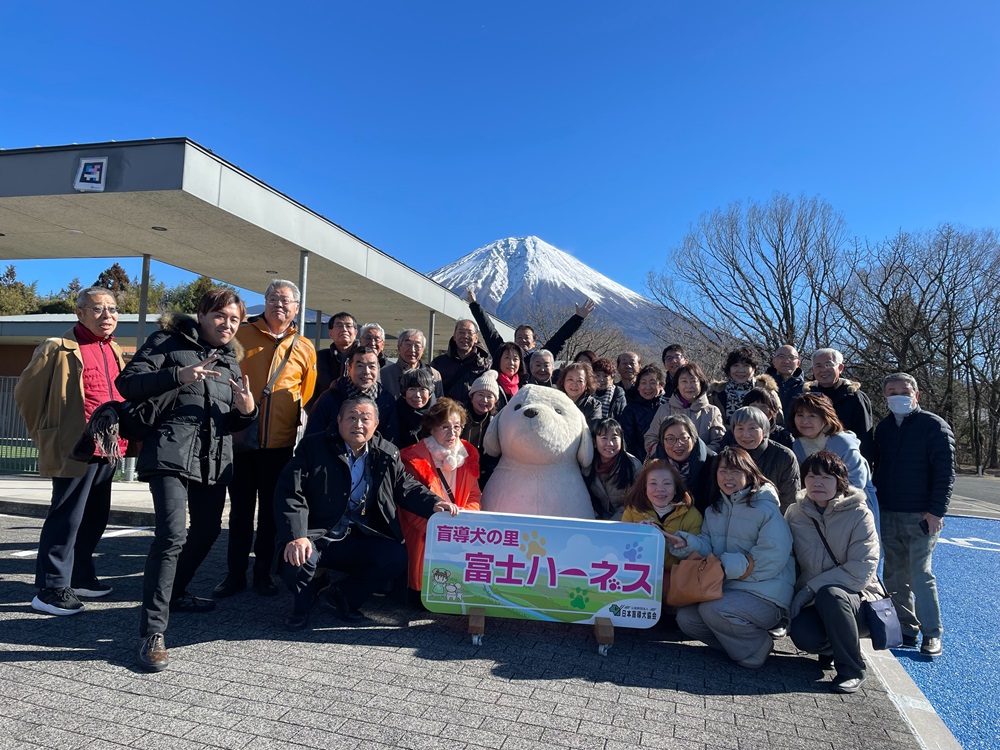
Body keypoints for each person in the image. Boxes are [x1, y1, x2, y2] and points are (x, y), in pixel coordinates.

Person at [116, 290, 257, 672]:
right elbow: (127, 383)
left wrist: (247, 410)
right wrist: (178, 375)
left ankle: (176, 592)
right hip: (169, 453)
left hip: (213, 459)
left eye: (234, 319)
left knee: (209, 530)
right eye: (220, 316)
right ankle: (152, 633)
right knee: (172, 535)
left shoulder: (230, 361)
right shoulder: (167, 341)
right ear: (201, 314)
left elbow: (230, 420)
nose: (227, 325)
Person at [274, 397, 458, 630]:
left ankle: (343, 596)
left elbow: (405, 486)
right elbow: (290, 493)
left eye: (365, 419)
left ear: (376, 423)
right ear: (339, 420)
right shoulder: (313, 447)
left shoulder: (386, 452)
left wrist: (434, 503)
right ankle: (302, 605)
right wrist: (297, 535)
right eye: (352, 417)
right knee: (297, 560)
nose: (358, 424)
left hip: (359, 534)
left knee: (395, 557)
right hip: (316, 532)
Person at [15, 287, 128, 615]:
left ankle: (79, 577)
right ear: (80, 314)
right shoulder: (58, 348)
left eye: (112, 309)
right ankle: (50, 589)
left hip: (108, 448)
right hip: (73, 447)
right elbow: (26, 395)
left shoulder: (115, 349)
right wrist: (48, 434)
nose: (107, 316)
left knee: (95, 517)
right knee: (66, 517)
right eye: (98, 309)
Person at [217, 279, 316, 599]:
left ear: (297, 308)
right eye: (273, 298)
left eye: (286, 301)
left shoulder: (304, 347)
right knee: (241, 512)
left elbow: (306, 392)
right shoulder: (241, 334)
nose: (280, 305)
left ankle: (263, 574)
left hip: (280, 445)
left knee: (272, 515)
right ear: (265, 302)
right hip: (242, 441)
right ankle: (234, 575)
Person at [665, 446, 795, 669]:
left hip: (766, 593)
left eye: (736, 471)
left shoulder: (766, 508)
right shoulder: (714, 509)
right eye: (723, 471)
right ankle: (740, 647)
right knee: (687, 619)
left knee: (712, 610)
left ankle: (757, 647)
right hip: (726, 589)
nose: (728, 477)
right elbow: (707, 544)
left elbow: (772, 557)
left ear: (749, 473)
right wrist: (688, 543)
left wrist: (727, 565)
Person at [873, 372, 955, 657]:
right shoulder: (882, 429)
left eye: (905, 390)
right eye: (892, 391)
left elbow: (945, 473)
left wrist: (936, 511)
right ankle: (907, 629)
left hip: (922, 515)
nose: (899, 395)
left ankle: (933, 633)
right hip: (889, 512)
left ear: (916, 394)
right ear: (885, 397)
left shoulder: (934, 426)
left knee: (920, 574)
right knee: (894, 576)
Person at [785, 451, 881, 694]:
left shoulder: (860, 513)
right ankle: (832, 648)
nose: (817, 483)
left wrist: (809, 589)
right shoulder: (795, 513)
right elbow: (787, 560)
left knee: (832, 594)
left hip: (857, 600)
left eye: (826, 477)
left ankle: (852, 669)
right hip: (813, 603)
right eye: (811, 476)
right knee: (804, 635)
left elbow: (862, 568)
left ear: (840, 481)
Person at [400, 398, 482, 598]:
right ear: (431, 428)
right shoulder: (414, 459)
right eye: (445, 427)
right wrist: (439, 524)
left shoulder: (467, 454)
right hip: (426, 528)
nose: (452, 433)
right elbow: (409, 503)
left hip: (459, 526)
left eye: (457, 427)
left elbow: (474, 494)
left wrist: (466, 517)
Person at [789, 393, 878, 525]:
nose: (804, 421)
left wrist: (830, 502)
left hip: (851, 507)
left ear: (825, 418)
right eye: (800, 415)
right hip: (815, 510)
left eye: (812, 416)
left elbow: (857, 481)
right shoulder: (797, 445)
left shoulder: (842, 442)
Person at [464, 285, 595, 362]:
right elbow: (489, 331)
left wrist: (578, 318)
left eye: (527, 338)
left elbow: (560, 338)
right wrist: (474, 305)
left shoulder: (540, 358)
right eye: (519, 338)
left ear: (534, 343)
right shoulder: (503, 354)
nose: (523, 340)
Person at [622, 459, 702, 577]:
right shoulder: (632, 511)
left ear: (676, 489)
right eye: (653, 483)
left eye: (667, 483)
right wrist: (636, 535)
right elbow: (621, 548)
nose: (660, 489)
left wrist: (683, 545)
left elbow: (697, 558)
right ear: (645, 488)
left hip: (677, 579)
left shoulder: (692, 516)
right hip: (638, 576)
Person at [307, 346, 398, 443]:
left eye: (372, 366)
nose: (366, 372)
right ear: (349, 368)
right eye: (360, 366)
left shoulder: (386, 400)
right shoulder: (330, 398)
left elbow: (391, 441)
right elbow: (312, 438)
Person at [803, 348, 875, 463]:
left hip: (847, 462)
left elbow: (864, 437)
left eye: (828, 364)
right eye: (818, 366)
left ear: (840, 368)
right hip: (811, 463)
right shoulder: (805, 398)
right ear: (812, 370)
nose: (823, 370)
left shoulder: (855, 397)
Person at [643, 362, 725, 455]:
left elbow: (718, 441)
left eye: (693, 381)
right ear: (677, 385)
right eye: (684, 381)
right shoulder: (665, 409)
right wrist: (666, 455)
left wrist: (700, 454)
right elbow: (651, 438)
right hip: (668, 465)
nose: (689, 386)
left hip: (703, 465)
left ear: (701, 384)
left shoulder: (712, 411)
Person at [729, 406, 800, 513]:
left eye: (752, 428)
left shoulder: (784, 456)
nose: (746, 435)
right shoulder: (729, 456)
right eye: (740, 428)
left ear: (764, 429)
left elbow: (789, 501)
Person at [648, 415, 717, 512]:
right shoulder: (654, 465)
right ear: (663, 441)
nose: (678, 444)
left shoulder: (713, 463)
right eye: (670, 439)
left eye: (683, 438)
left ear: (693, 438)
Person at [585, 418, 641, 520]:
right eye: (604, 438)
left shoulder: (633, 465)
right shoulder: (587, 465)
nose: (610, 444)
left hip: (625, 521)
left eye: (614, 438)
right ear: (594, 442)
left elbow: (636, 501)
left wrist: (612, 524)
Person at [707, 346, 775, 422]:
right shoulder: (716, 393)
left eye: (746, 366)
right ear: (729, 369)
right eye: (736, 365)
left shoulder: (767, 391)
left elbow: (777, 422)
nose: (741, 370)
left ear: (754, 370)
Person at [430, 319, 492, 402]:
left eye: (470, 333)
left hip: (472, 414)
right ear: (454, 336)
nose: (465, 336)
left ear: (476, 338)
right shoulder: (439, 363)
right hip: (446, 413)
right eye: (461, 332)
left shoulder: (485, 365)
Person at [309, 311, 357, 410]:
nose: (344, 329)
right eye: (339, 325)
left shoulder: (364, 357)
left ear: (355, 332)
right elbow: (309, 392)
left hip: (358, 419)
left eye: (348, 326)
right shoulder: (318, 358)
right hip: (325, 418)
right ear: (330, 333)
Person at [461, 371, 501, 489]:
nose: (484, 400)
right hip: (459, 465)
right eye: (480, 394)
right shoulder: (459, 415)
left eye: (490, 396)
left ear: (495, 401)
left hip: (483, 471)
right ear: (472, 396)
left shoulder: (496, 421)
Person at [619, 365, 668, 459]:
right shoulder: (630, 410)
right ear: (638, 387)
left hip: (668, 460)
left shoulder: (668, 406)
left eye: (652, 382)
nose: (648, 387)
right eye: (643, 383)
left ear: (661, 386)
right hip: (639, 461)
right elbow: (627, 442)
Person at [380, 329, 443, 399]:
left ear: (423, 350)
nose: (412, 350)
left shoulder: (433, 374)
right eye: (408, 345)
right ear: (398, 347)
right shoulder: (384, 374)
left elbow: (440, 404)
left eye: (417, 346)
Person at [395, 368, 436, 449]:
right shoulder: (394, 412)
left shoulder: (439, 414)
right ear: (403, 392)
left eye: (422, 389)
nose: (417, 395)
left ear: (430, 393)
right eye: (412, 389)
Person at [556, 362, 603, 430]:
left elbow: (592, 431)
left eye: (579, 381)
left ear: (587, 384)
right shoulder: (556, 402)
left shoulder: (594, 406)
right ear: (563, 381)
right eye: (570, 379)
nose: (574, 384)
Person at [767, 345, 804, 420]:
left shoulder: (807, 389)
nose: (786, 361)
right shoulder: (761, 386)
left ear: (798, 363)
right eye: (781, 356)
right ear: (773, 361)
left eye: (791, 357)